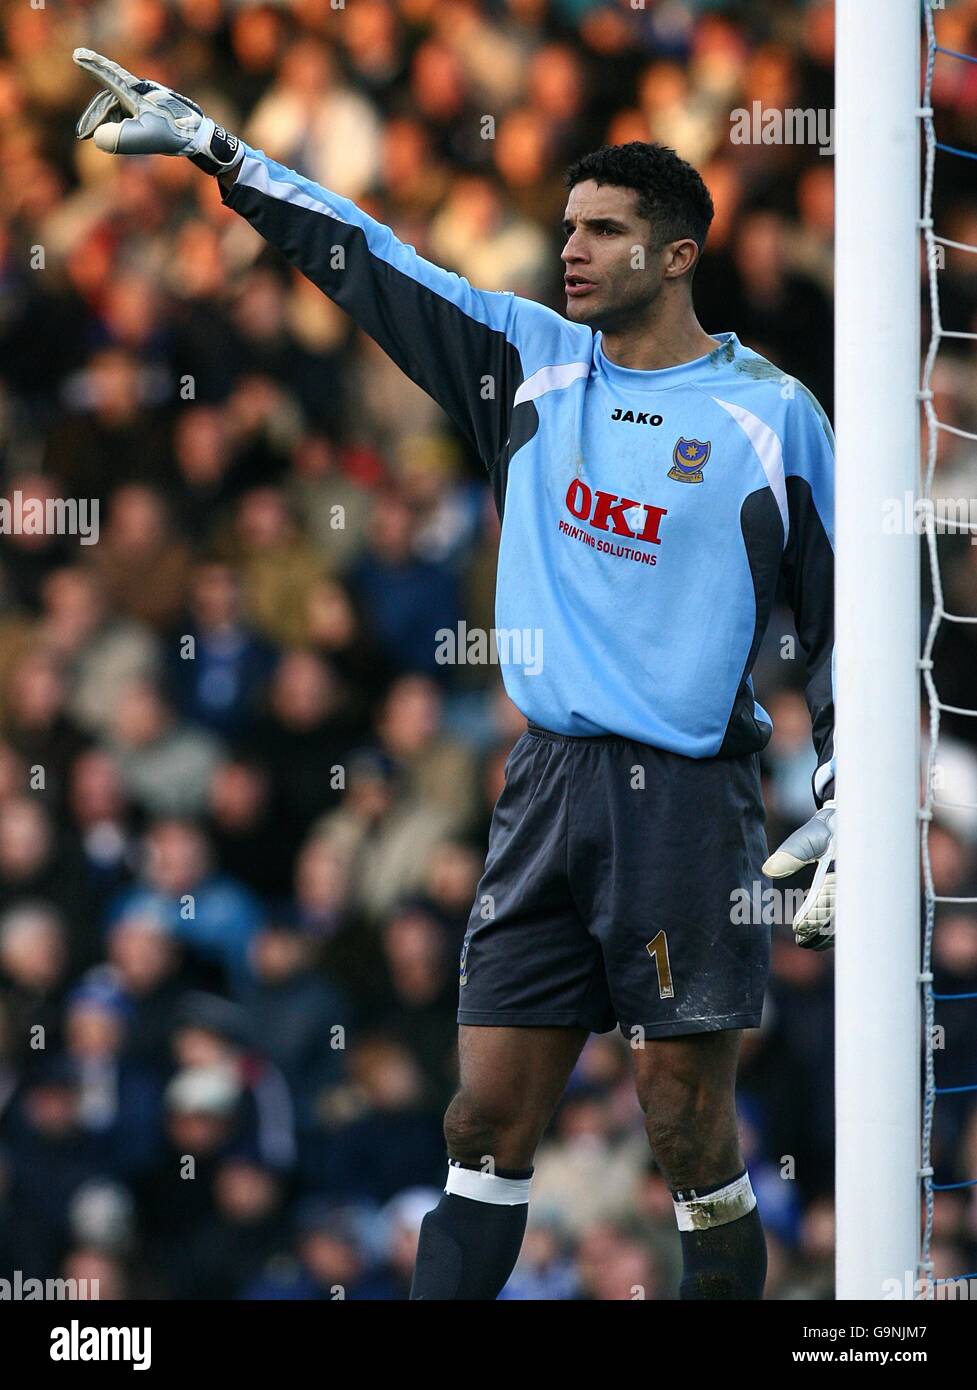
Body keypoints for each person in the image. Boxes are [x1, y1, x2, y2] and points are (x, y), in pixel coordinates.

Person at [73, 50, 837, 1302]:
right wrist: (224, 158)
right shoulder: (527, 363)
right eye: (566, 226)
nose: (573, 249)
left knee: (685, 1128)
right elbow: (368, 259)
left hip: (687, 804)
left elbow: (836, 611)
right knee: (480, 1121)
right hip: (542, 785)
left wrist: (846, 779)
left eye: (604, 230)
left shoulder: (768, 416)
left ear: (679, 252)